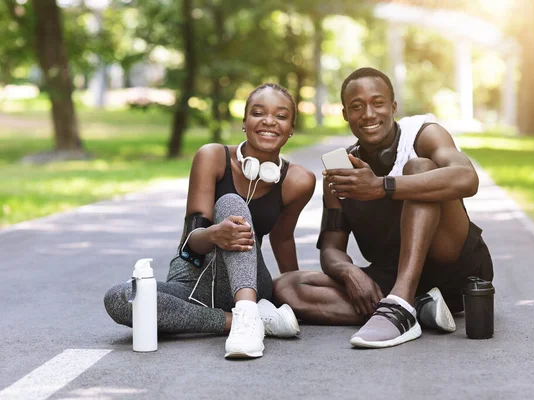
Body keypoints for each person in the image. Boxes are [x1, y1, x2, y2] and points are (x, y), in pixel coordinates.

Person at [273, 67, 494, 349]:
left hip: (454, 266)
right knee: (287, 287)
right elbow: (331, 249)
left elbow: (467, 178)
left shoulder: (424, 135)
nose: (368, 114)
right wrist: (349, 272)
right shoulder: (342, 170)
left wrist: (381, 186)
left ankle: (400, 307)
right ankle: (417, 308)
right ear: (345, 114)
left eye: (377, 103)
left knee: (419, 168)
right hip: (390, 276)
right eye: (356, 107)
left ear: (393, 107)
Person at [104, 83, 316, 359]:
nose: (268, 121)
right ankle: (242, 321)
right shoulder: (213, 157)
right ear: (244, 122)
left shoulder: (299, 181)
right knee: (120, 298)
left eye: (280, 116)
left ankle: (245, 310)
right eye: (258, 112)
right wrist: (215, 235)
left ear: (291, 128)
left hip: (246, 282)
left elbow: (283, 238)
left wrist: (293, 296)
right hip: (191, 281)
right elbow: (189, 246)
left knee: (231, 204)